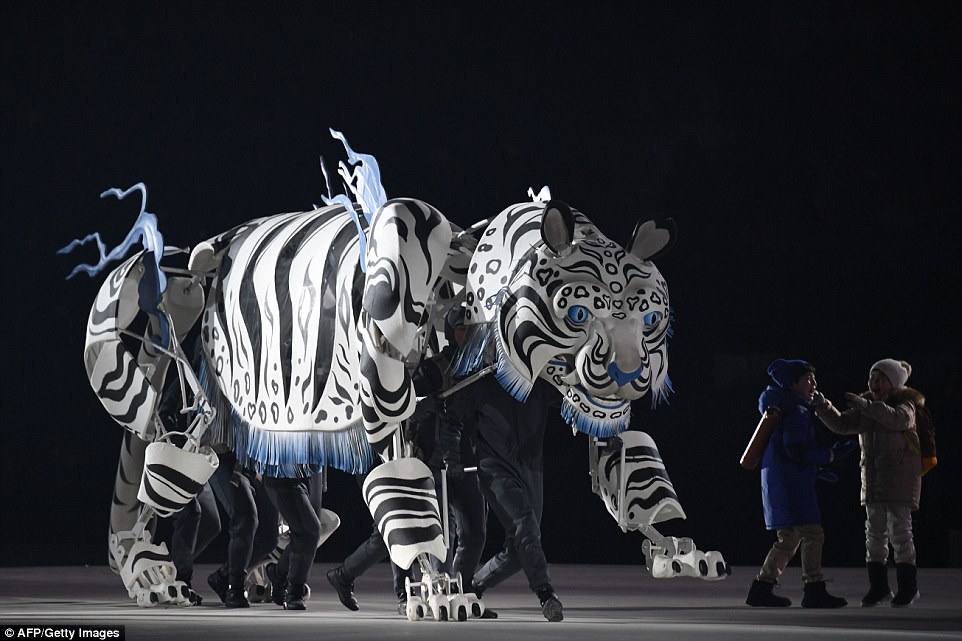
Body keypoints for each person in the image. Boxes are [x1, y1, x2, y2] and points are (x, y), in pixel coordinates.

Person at [453, 372, 563, 622]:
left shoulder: (540, 380)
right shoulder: (483, 379)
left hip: (531, 468)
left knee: (518, 550)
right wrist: (451, 458)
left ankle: (473, 587)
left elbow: (572, 400)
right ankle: (546, 594)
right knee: (525, 526)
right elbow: (452, 414)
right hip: (494, 468)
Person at [812, 358, 922, 607]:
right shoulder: (868, 409)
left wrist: (866, 405)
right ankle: (879, 588)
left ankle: (908, 588)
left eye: (880, 378)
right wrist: (823, 406)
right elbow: (841, 424)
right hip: (873, 485)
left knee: (901, 535)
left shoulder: (906, 406)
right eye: (872, 378)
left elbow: (897, 420)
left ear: (893, 384)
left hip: (899, 485)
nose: (874, 383)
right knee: (874, 537)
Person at [745, 359, 851, 608]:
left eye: (814, 379)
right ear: (793, 384)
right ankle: (813, 588)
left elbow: (787, 452)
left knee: (789, 537)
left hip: (780, 482)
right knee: (813, 534)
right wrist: (830, 456)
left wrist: (815, 471)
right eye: (808, 379)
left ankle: (762, 587)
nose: (814, 384)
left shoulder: (782, 407)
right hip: (792, 485)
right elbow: (795, 450)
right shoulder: (797, 411)